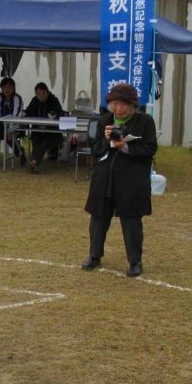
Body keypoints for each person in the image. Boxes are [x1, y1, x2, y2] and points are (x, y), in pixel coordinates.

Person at [81, 83, 157, 277]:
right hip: (105, 176)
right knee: (98, 217)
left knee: (131, 219)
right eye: (114, 104)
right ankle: (94, 255)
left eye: (123, 104)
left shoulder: (145, 121)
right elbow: (96, 149)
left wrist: (125, 147)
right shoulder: (105, 120)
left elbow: (150, 149)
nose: (118, 109)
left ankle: (135, 261)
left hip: (131, 179)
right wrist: (107, 140)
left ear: (132, 105)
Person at [24, 82, 65, 173]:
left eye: (43, 93)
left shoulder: (53, 100)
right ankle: (34, 163)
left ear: (48, 92)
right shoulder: (34, 101)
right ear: (36, 94)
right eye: (38, 94)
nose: (41, 96)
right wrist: (24, 113)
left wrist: (54, 115)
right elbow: (28, 111)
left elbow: (61, 114)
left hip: (52, 133)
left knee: (45, 141)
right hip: (37, 130)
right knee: (35, 139)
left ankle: (34, 161)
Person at [0, 76, 25, 166]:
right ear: (1, 88)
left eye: (9, 87)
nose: (7, 89)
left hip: (16, 126)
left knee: (11, 138)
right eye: (4, 87)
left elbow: (16, 116)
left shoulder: (17, 98)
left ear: (13, 88)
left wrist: (11, 130)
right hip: (1, 126)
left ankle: (20, 154)